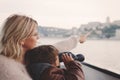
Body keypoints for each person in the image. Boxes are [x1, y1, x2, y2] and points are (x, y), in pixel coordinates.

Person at [0, 14, 86, 80]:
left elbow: (55, 48)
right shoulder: (7, 69)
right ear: (21, 39)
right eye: (35, 34)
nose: (38, 37)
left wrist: (78, 38)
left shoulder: (28, 55)